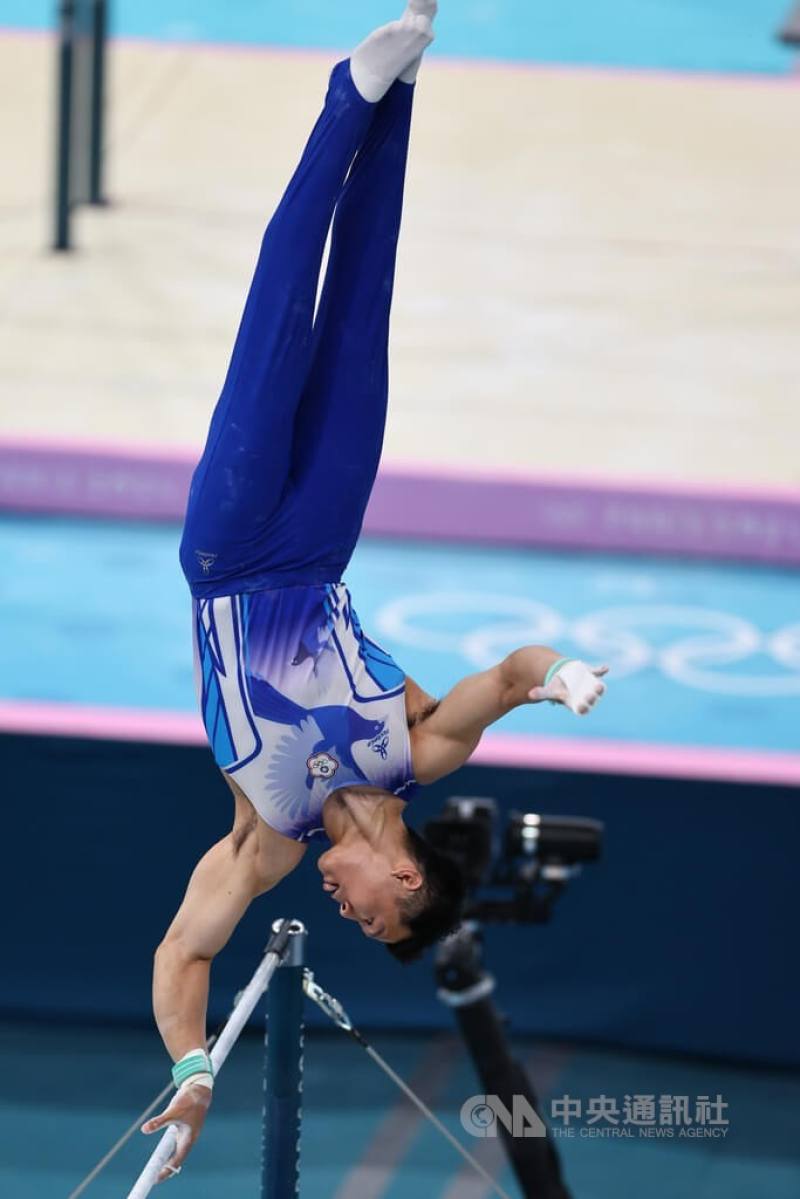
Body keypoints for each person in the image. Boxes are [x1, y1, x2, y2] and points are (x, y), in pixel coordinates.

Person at [143, 3, 607, 1180]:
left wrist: (192, 1070)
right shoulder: (419, 753)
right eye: (372, 911)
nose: (348, 911)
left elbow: (183, 955)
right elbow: (502, 673)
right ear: (405, 875)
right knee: (357, 316)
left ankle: (351, 93)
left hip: (231, 550)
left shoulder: (268, 840)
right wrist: (557, 679)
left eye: (354, 920)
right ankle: (394, 90)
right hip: (320, 541)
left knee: (278, 319)